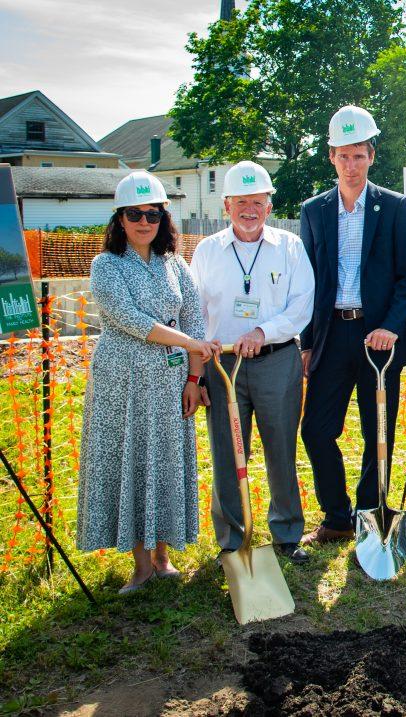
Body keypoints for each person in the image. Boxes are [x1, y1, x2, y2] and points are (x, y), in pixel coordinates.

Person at [76, 171, 219, 594]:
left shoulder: (175, 263)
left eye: (152, 214)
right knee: (130, 462)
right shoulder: (106, 265)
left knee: (164, 462)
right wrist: (190, 341)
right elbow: (131, 320)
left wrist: (195, 377)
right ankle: (139, 563)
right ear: (120, 218)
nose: (144, 222)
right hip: (122, 382)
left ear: (163, 219)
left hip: (170, 381)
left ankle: (162, 557)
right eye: (135, 214)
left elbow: (194, 316)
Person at [298, 106, 406, 546]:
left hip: (378, 338)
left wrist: (389, 326)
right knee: (315, 428)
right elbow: (308, 283)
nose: (351, 165)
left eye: (359, 155)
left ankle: (370, 508)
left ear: (372, 155)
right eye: (343, 156)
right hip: (331, 335)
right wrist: (307, 343)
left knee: (378, 429)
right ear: (331, 157)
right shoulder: (314, 211)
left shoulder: (392, 206)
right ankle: (336, 516)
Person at [190, 161, 315, 564]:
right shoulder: (207, 251)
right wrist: (197, 370)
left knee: (281, 447)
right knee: (227, 451)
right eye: (241, 202)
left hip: (276, 360)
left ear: (269, 205)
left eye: (257, 202)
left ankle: (286, 532)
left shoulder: (289, 247)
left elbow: (302, 305)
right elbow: (193, 311)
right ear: (226, 205)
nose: (249, 210)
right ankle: (232, 538)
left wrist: (263, 332)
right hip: (222, 365)